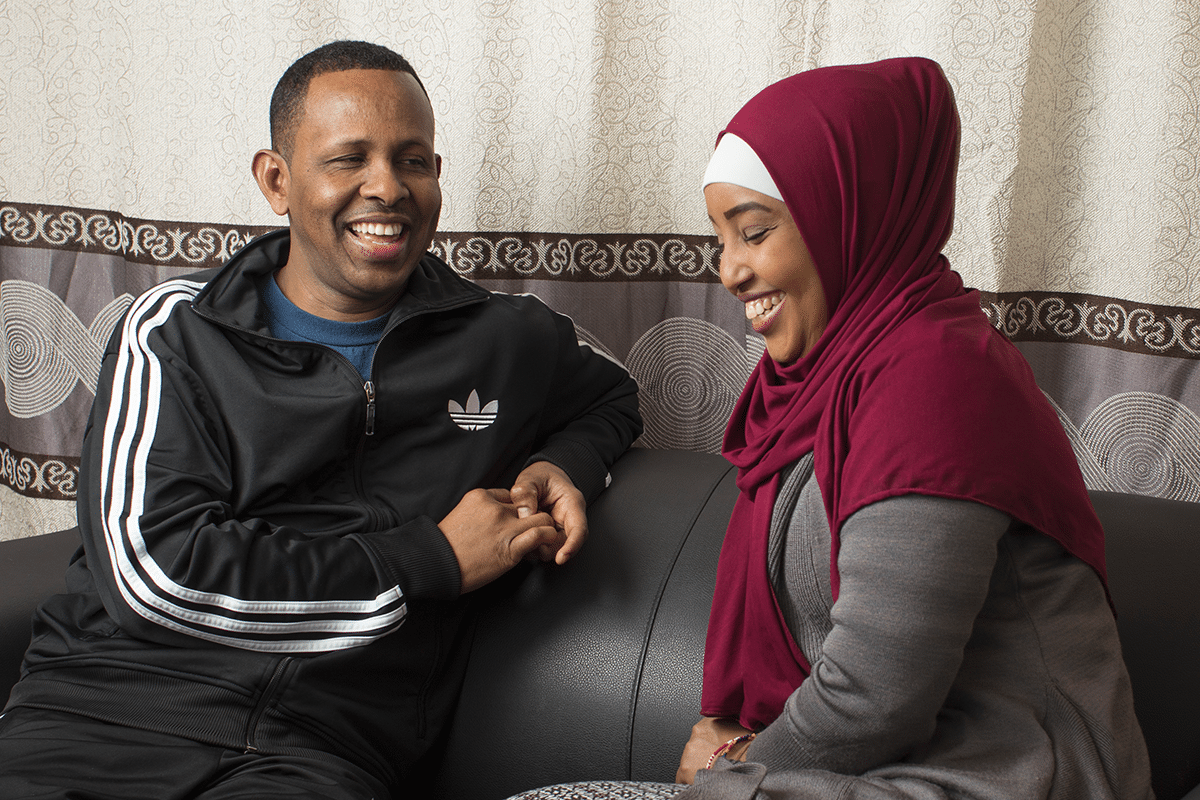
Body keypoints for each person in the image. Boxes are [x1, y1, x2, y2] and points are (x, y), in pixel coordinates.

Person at [0, 40, 641, 800]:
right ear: (277, 179)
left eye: (413, 160)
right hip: (103, 717)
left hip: (322, 751)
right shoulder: (178, 332)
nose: (387, 187)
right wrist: (430, 557)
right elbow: (157, 573)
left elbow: (614, 397)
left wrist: (561, 464)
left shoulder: (505, 338)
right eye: (349, 159)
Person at [507, 57, 1151, 800]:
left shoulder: (937, 380)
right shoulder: (823, 383)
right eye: (722, 239)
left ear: (850, 212)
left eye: (754, 232)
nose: (731, 271)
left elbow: (876, 695)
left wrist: (733, 769)